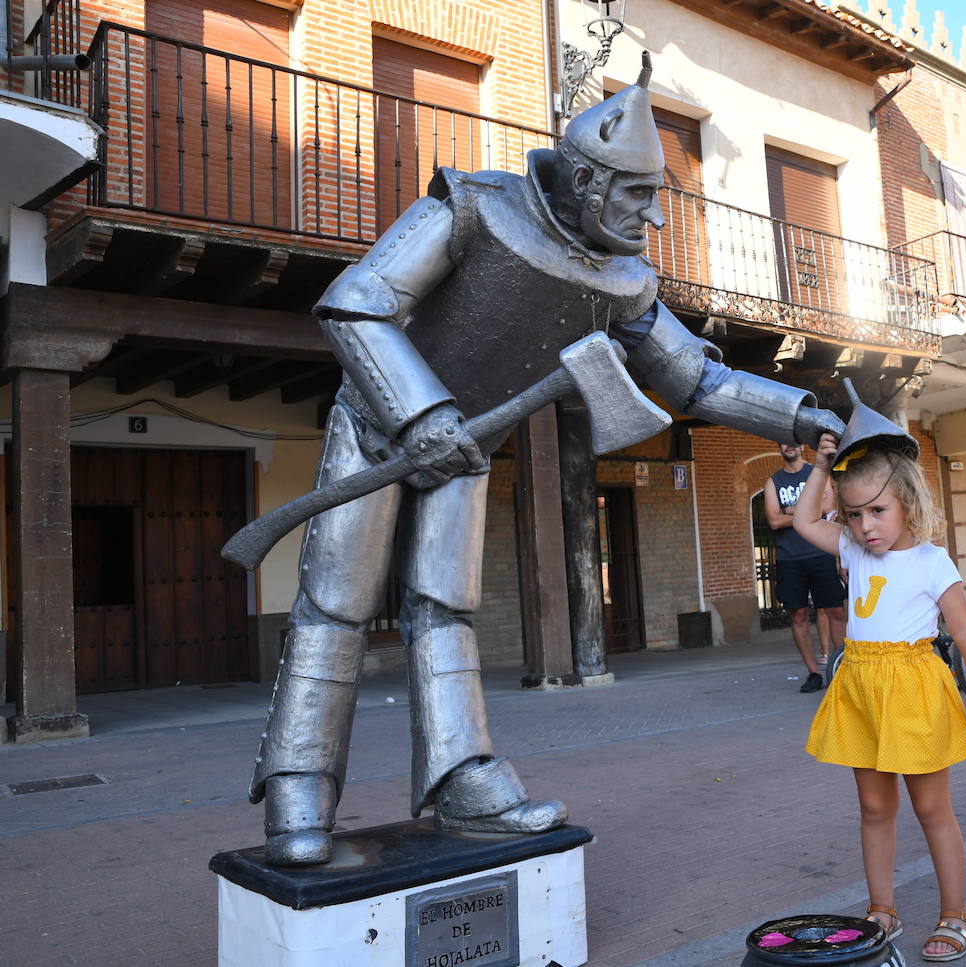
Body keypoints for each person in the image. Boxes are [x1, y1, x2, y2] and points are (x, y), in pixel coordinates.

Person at [249, 56, 844, 866]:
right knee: (336, 605)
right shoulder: (474, 205)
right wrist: (419, 412)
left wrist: (806, 412)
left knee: (443, 609)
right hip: (382, 423)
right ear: (591, 182)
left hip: (471, 448)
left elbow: (694, 378)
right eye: (639, 195)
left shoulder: (625, 280)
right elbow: (358, 301)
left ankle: (462, 777)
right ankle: (297, 790)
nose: (654, 219)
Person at [791, 431, 966, 962]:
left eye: (877, 510)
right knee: (873, 806)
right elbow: (803, 521)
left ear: (907, 502)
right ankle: (881, 909)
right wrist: (821, 466)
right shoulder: (852, 546)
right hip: (861, 685)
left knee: (932, 809)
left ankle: (957, 914)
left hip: (912, 686)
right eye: (854, 513)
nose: (865, 525)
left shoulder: (932, 561)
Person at [764, 441, 847, 691]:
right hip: (790, 559)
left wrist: (790, 509)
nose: (788, 446)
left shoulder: (816, 474)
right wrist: (807, 513)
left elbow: (827, 508)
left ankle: (841, 669)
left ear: (801, 446)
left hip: (820, 552)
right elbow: (774, 521)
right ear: (779, 447)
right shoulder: (773, 482)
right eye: (783, 442)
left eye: (793, 442)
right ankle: (813, 673)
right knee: (798, 615)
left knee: (835, 612)